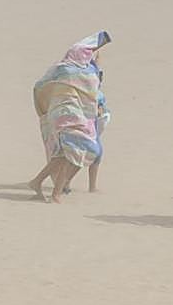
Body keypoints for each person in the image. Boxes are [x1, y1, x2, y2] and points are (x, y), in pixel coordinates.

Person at [26, 31, 111, 203]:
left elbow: (40, 86)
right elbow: (93, 87)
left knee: (67, 151)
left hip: (64, 115)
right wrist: (96, 67)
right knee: (80, 149)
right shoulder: (79, 71)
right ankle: (55, 190)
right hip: (69, 115)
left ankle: (40, 183)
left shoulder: (61, 68)